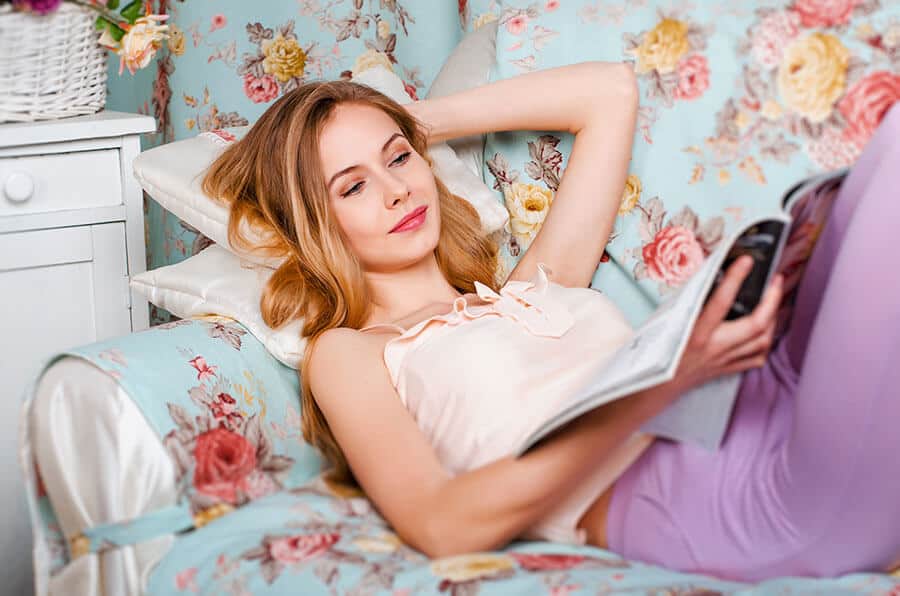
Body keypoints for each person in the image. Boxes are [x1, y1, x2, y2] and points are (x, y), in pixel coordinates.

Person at [202, 62, 900, 581]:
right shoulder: (350, 353)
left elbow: (608, 94)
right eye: (352, 186)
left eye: (399, 158)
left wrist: (405, 117)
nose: (397, 190)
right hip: (723, 500)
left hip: (763, 400)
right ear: (313, 221)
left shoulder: (534, 284)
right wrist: (662, 386)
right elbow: (443, 525)